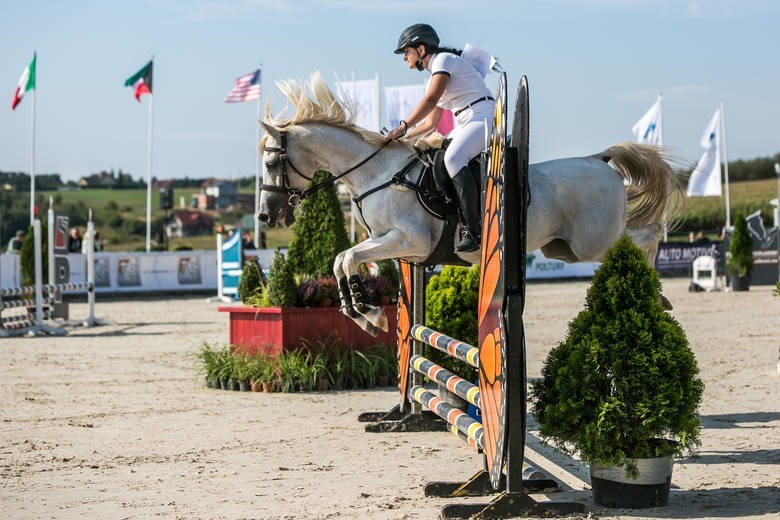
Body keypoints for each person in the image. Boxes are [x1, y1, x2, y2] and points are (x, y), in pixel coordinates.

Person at [385, 23, 496, 252]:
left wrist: (402, 126)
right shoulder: (435, 72)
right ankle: (457, 216)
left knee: (453, 159)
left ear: (422, 49)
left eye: (407, 52)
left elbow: (430, 101)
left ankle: (473, 230)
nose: (405, 57)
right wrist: (402, 138)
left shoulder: (443, 61)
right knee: (437, 158)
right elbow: (430, 124)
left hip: (483, 116)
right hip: (467, 120)